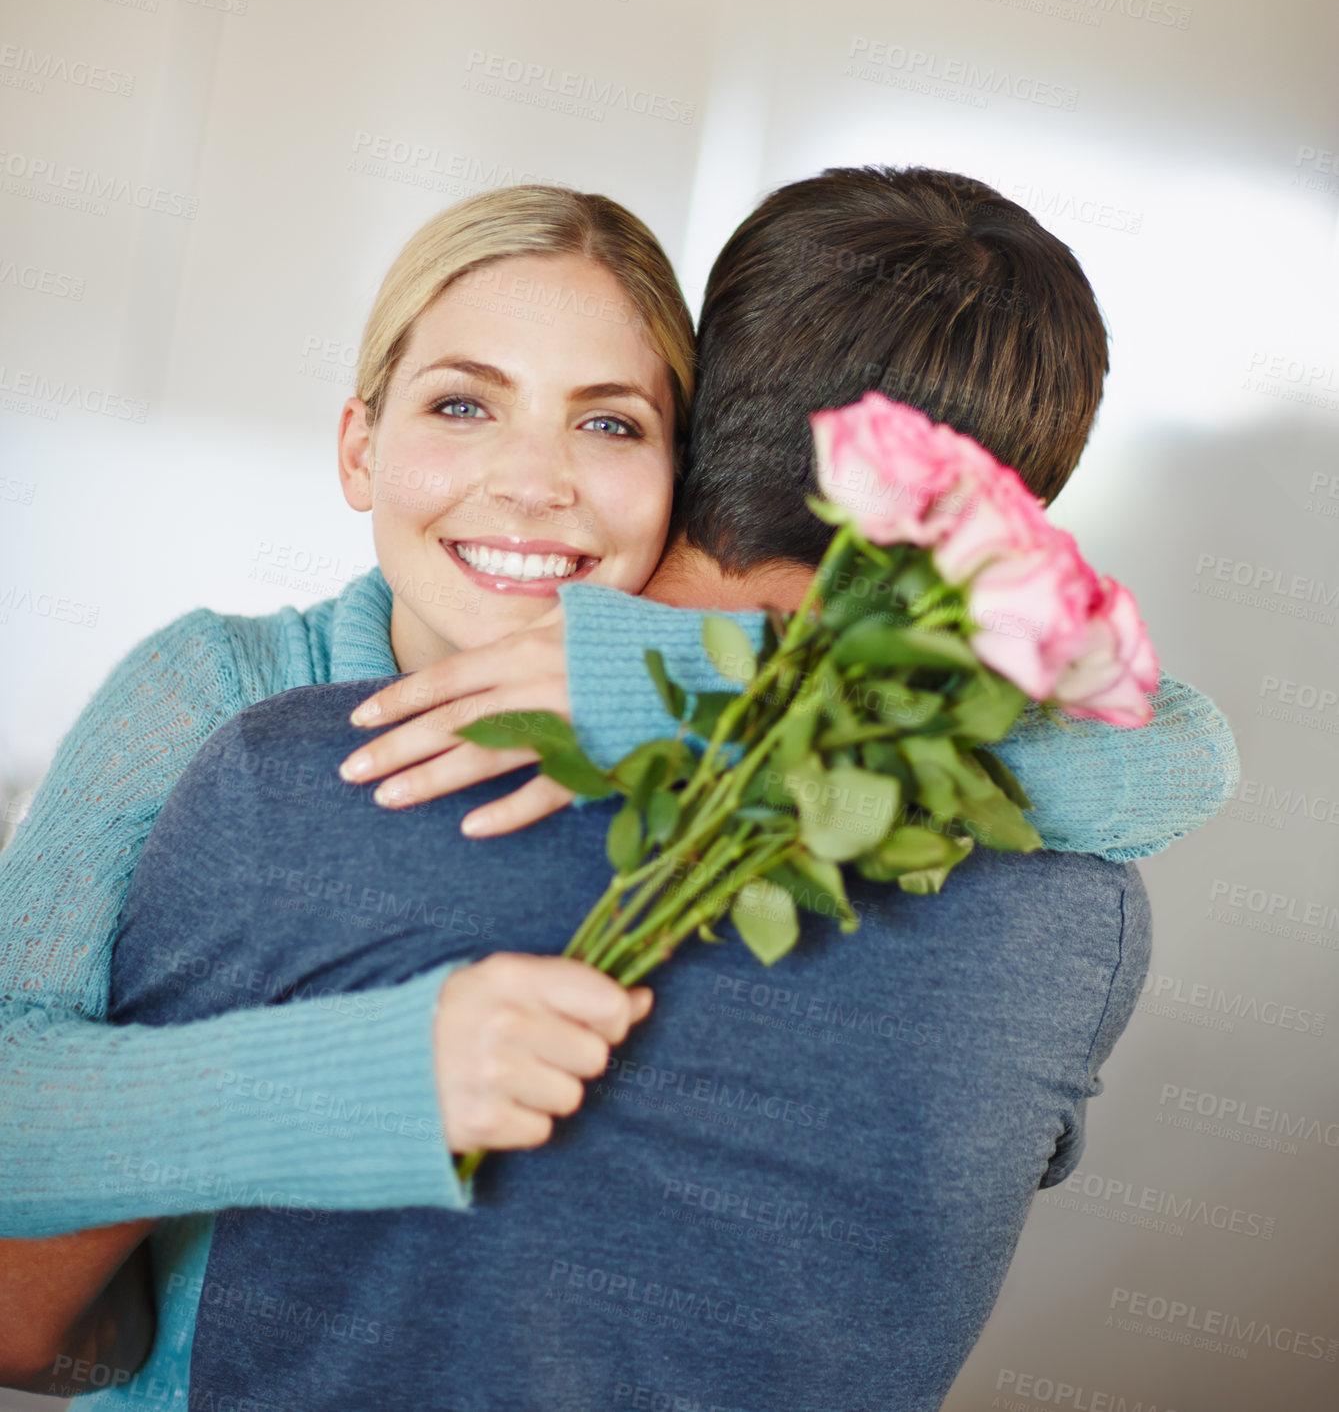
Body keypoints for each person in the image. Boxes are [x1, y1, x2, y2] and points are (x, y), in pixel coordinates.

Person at [0, 169, 1236, 1404]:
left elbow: (1170, 754)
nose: (533, 481)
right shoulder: (228, 703)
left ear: (689, 459)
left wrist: (677, 674)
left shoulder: (702, 689)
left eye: (607, 423)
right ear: (359, 446)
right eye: (462, 404)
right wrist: (385, 1076)